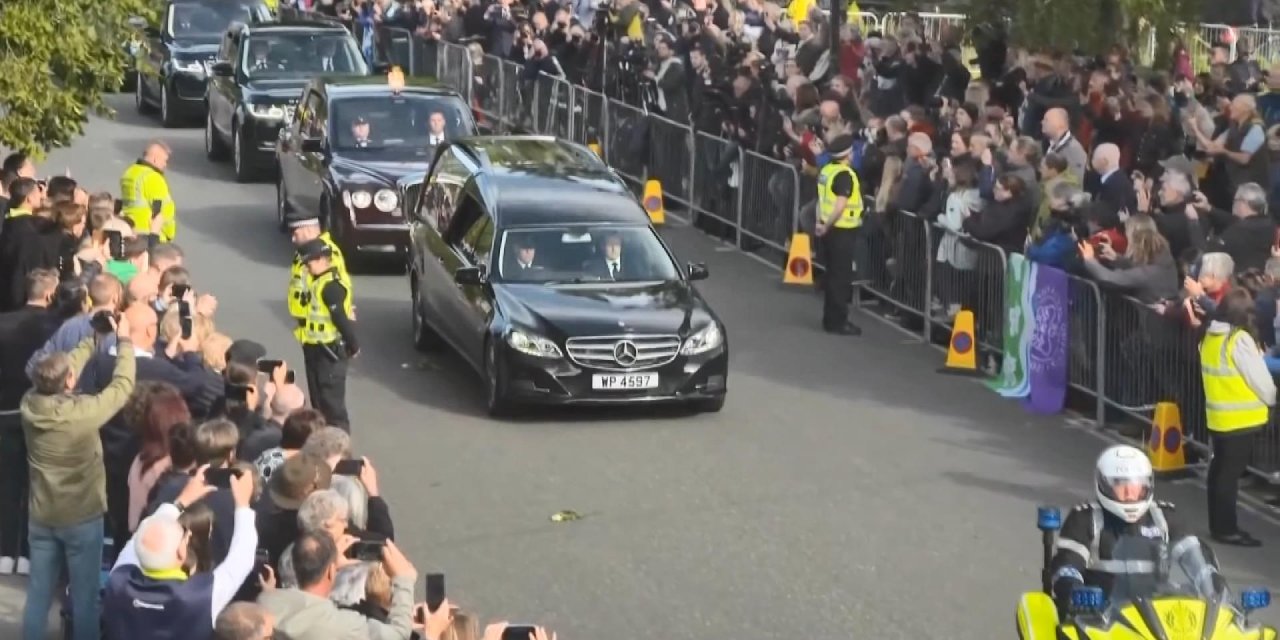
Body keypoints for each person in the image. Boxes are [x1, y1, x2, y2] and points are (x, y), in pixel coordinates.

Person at [22, 313, 137, 640]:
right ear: (70, 381)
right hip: (82, 517)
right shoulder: (84, 413)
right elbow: (122, 386)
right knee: (85, 598)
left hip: (43, 514)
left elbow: (58, 369)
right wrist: (124, 343)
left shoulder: (30, 404)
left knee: (39, 595)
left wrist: (94, 338)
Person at [103, 464, 257, 640]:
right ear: (180, 553)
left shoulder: (117, 580)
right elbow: (242, 558)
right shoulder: (203, 596)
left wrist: (180, 501)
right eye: (184, 535)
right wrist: (243, 504)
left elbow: (139, 538)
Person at [1048, 445, 1199, 615]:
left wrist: (1211, 579)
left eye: (1136, 487)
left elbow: (1196, 559)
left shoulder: (1165, 517)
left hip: (1155, 617)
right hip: (1099, 618)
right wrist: (1075, 590)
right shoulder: (1084, 518)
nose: (1129, 494)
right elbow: (1068, 565)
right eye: (1121, 486)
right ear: (1104, 485)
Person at [1200, 288, 1276, 547]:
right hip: (1241, 420)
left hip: (1218, 417)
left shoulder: (1210, 335)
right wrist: (1272, 398)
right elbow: (1260, 381)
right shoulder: (1239, 339)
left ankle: (1219, 525)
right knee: (1228, 477)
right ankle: (1227, 529)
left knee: (1219, 472)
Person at [298, 240, 358, 430]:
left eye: (311, 263)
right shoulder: (317, 281)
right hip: (315, 349)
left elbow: (339, 317)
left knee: (332, 406)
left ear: (324, 260)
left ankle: (339, 449)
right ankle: (323, 444)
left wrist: (353, 344)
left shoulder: (331, 286)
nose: (308, 267)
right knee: (319, 404)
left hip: (329, 351)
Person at [814, 134, 865, 336]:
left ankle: (829, 319)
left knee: (832, 274)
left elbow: (820, 200)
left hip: (829, 229)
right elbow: (840, 205)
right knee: (840, 277)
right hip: (842, 231)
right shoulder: (845, 175)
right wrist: (826, 225)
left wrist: (820, 223)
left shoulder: (827, 171)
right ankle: (838, 321)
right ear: (846, 155)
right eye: (852, 151)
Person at [284, 213, 349, 346]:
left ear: (308, 231)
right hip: (310, 331)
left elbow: (334, 287)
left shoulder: (326, 252)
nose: (293, 239)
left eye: (296, 234)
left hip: (326, 336)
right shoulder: (305, 252)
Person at [119, 140, 177, 242]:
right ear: (154, 160)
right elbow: (161, 210)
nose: (165, 165)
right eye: (164, 160)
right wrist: (170, 233)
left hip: (129, 232)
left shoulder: (129, 173)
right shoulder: (153, 178)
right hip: (150, 235)